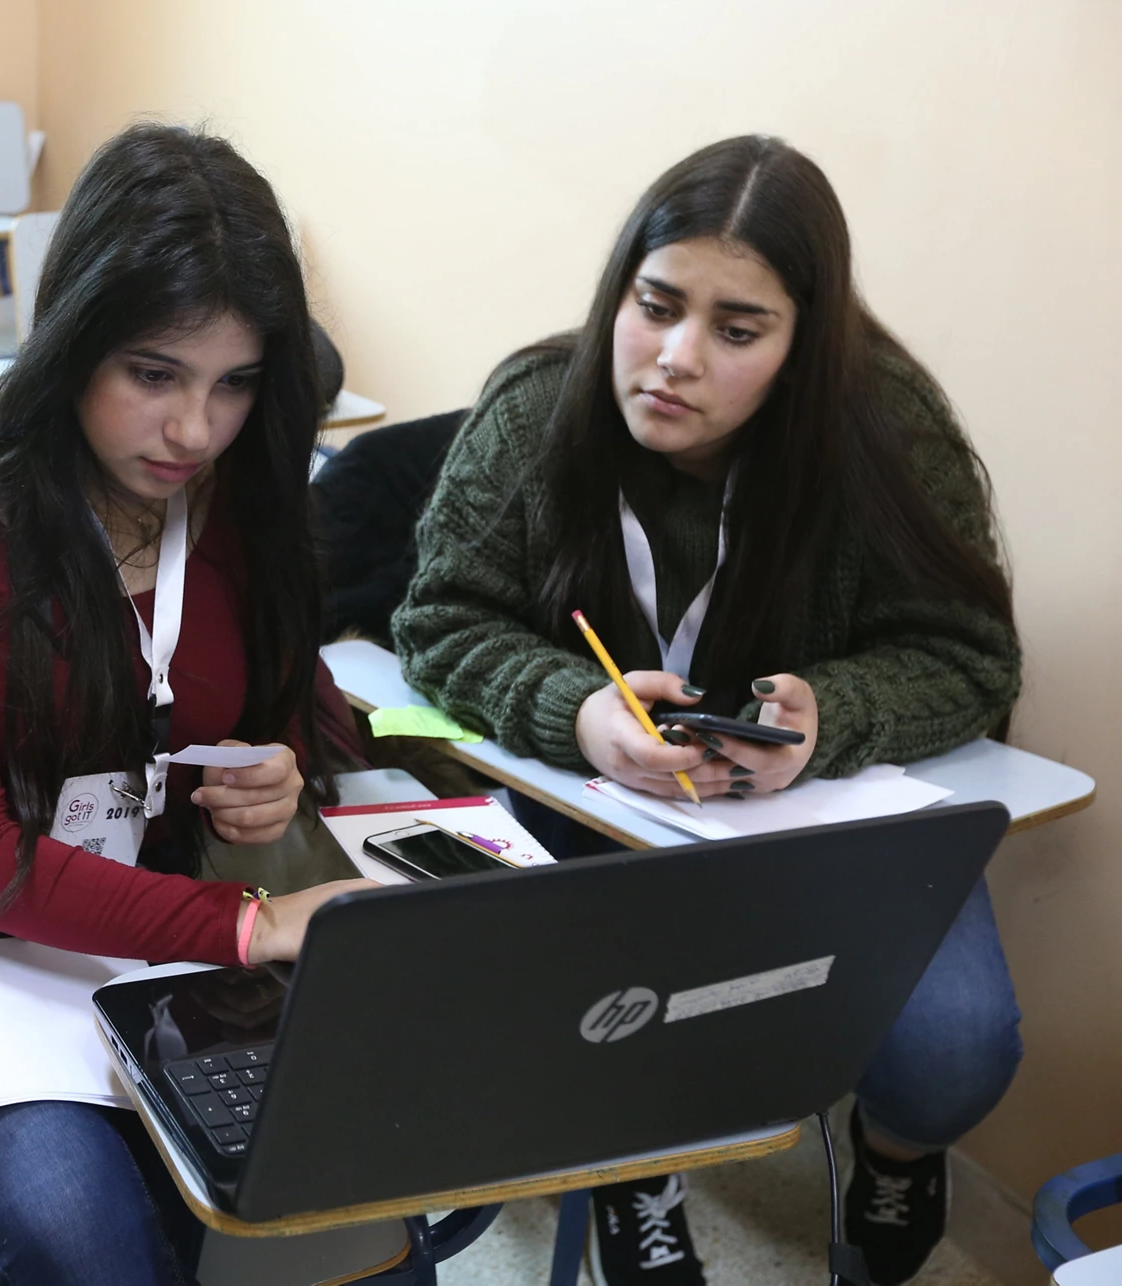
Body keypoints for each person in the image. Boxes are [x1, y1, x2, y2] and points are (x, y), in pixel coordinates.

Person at [392, 135, 1022, 1286]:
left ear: (803, 343)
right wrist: (578, 709)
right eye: (655, 305)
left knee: (952, 1050)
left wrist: (830, 712)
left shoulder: (885, 428)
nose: (672, 359)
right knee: (611, 1016)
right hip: (596, 806)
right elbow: (437, 619)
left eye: (736, 331)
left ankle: (889, 1150)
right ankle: (638, 1166)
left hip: (821, 812)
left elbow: (969, 654)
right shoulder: (538, 407)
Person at [0, 124, 374, 1285]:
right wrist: (250, 926)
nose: (193, 431)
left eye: (234, 384)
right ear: (72, 341)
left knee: (322, 1174)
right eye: (153, 374)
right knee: (86, 1231)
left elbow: (267, 711)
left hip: (138, 906)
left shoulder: (246, 501)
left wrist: (271, 770)